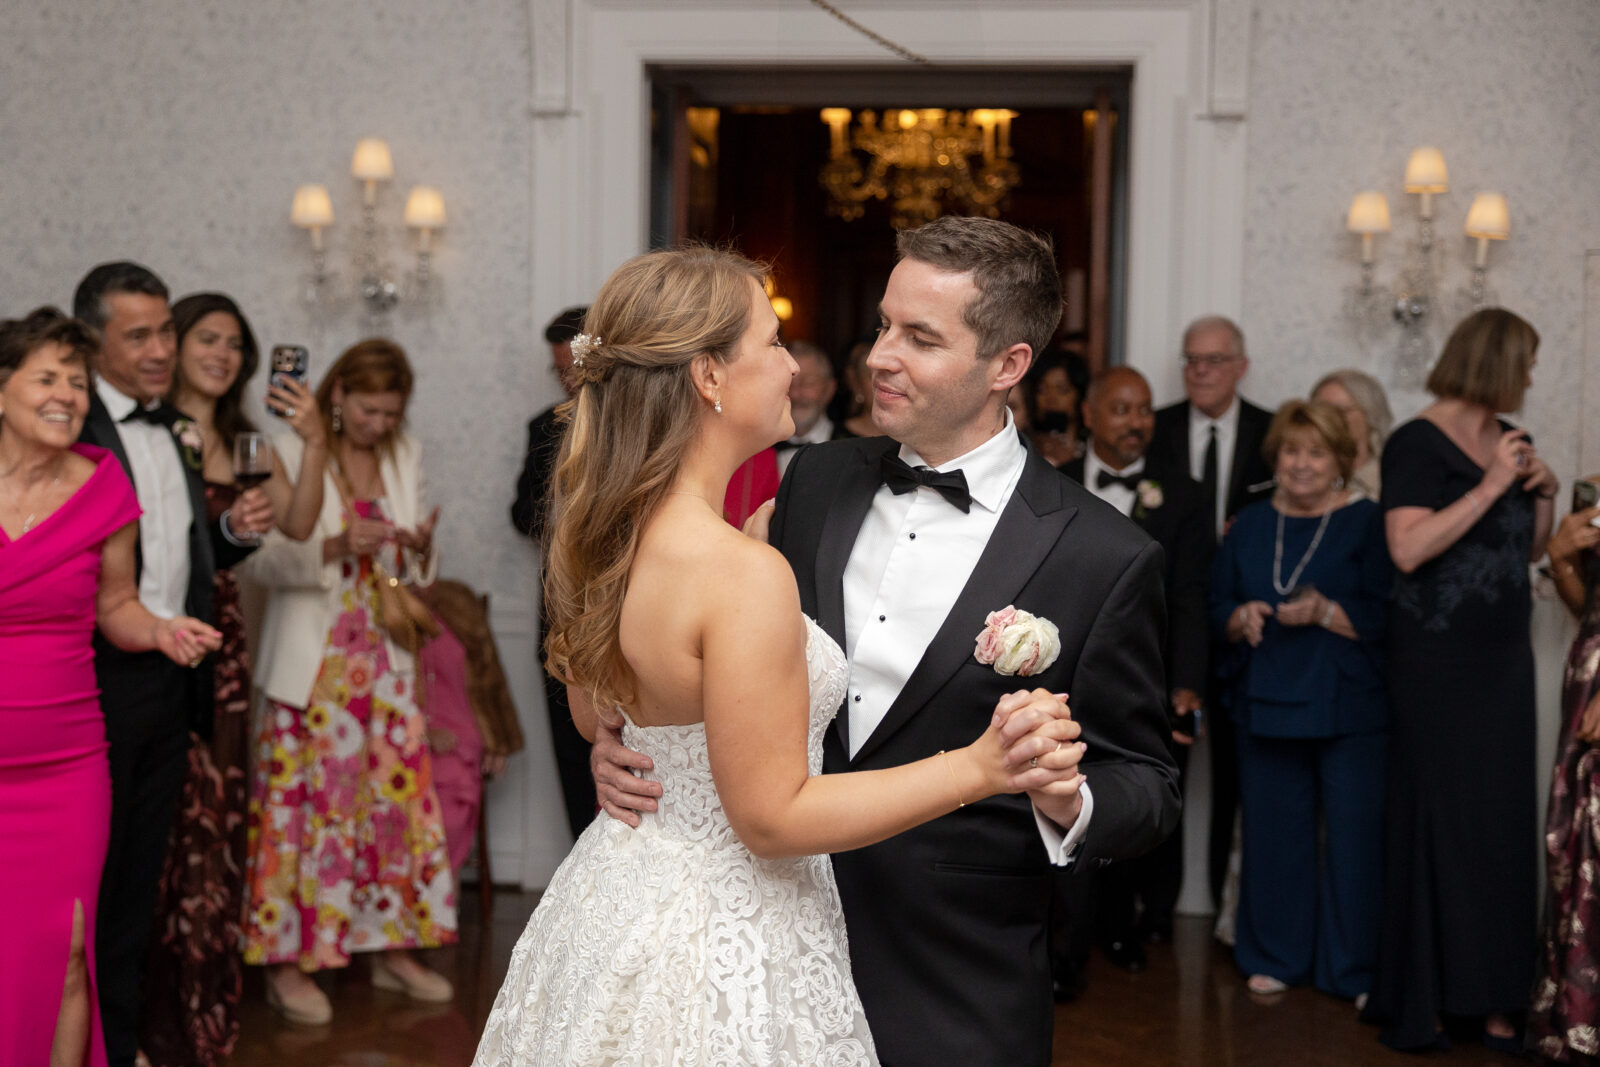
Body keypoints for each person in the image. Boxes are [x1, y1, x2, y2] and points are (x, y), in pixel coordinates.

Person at [474, 244, 1083, 1066]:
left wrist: (627, 753)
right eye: (771, 341)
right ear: (708, 377)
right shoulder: (742, 574)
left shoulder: (610, 536)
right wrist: (981, 766)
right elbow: (769, 819)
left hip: (616, 900)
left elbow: (599, 714)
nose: (794, 363)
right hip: (723, 936)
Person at [593, 218, 1181, 1066]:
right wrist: (625, 739)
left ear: (1007, 366)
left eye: (920, 337)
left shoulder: (1104, 556)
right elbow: (698, 653)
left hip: (955, 971)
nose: (879, 356)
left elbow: (1150, 785)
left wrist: (1066, 797)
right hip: (764, 944)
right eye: (882, 324)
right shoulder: (813, 480)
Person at [0, 307, 222, 1067]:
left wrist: (160, 630)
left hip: (65, 764)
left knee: (67, 950)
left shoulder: (102, 486)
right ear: (3, 390)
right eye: (47, 377)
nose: (66, 393)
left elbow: (116, 606)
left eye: (75, 377)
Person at [71, 263, 272, 1067]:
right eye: (140, 335)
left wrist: (236, 535)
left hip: (173, 676)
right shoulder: (69, 423)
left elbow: (183, 554)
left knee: (142, 882)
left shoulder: (176, 430)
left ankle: (120, 1042)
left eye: (165, 332)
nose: (162, 351)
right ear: (93, 342)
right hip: (93, 679)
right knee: (93, 880)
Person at [240, 339, 457, 1026]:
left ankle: (389, 947)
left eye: (391, 414)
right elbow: (259, 566)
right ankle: (287, 962)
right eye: (368, 410)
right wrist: (333, 548)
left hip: (384, 663)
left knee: (392, 813)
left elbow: (414, 571)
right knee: (302, 815)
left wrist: (419, 550)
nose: (379, 425)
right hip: (313, 667)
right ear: (337, 396)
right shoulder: (280, 447)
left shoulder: (402, 453)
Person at [1364, 308, 1556, 1051]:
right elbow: (1407, 548)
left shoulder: (1514, 439)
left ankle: (1497, 992)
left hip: (1504, 660)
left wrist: (1538, 489)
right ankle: (1434, 994)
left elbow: (1528, 550)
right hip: (1436, 667)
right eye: (1527, 363)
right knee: (1441, 822)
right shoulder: (1416, 441)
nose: (1533, 377)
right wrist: (1491, 483)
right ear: (1498, 362)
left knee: (1500, 824)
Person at [142, 291, 325, 1065]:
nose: (222, 354)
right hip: (154, 634)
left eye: (234, 344)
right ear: (175, 344)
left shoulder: (248, 438)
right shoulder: (148, 431)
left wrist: (312, 439)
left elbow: (300, 523)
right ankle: (142, 1021)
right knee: (157, 830)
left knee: (213, 827)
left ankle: (199, 1017)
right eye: (206, 338)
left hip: (224, 641)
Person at [1210, 400, 1391, 1000]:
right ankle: (1277, 958)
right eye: (1291, 451)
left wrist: (1329, 611)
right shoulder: (1253, 522)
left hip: (1349, 704)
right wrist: (1240, 618)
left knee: (1354, 844)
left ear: (1340, 460)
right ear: (1276, 457)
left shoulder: (1368, 520)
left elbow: (1393, 612)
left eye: (1316, 452)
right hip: (1267, 698)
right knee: (1273, 838)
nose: (1302, 464)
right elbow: (1215, 606)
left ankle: (1354, 971)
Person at [1058, 366, 1211, 979]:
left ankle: (1122, 929)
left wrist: (1187, 684)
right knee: (1062, 797)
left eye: (1145, 410)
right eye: (1121, 409)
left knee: (1126, 801)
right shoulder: (1052, 482)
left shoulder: (1186, 495)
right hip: (1063, 676)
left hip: (1142, 681)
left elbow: (1195, 598)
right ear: (1090, 414)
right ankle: (1064, 947)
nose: (1136, 422)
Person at [1148, 314, 1274, 915]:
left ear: (1241, 367)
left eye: (1214, 360)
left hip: (1253, 628)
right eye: (1191, 360)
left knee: (1238, 777)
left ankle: (1226, 909)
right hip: (1175, 626)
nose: (1200, 371)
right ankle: (1158, 907)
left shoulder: (1272, 433)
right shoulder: (1157, 428)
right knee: (1163, 765)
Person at [509, 305, 595, 842]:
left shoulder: (639, 427)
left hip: (624, 605)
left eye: (573, 367)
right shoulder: (545, 426)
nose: (566, 379)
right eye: (558, 369)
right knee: (570, 753)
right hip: (559, 610)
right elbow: (519, 515)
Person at [1529, 486, 1600, 1061]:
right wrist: (1561, 558)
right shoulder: (1596, 490)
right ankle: (1579, 1020)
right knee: (1576, 850)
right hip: (1588, 678)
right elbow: (1590, 605)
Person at [1311, 368, 1392, 500]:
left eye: (1340, 411)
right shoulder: (1300, 478)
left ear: (1371, 414)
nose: (1329, 418)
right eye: (1321, 411)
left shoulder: (1390, 478)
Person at [774, 339, 840, 476]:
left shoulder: (853, 447)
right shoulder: (755, 448)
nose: (795, 393)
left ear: (829, 389)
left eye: (808, 383)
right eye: (788, 382)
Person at [1023, 346, 1089, 467]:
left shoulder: (1092, 448)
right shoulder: (1023, 446)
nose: (1052, 399)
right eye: (1042, 390)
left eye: (1063, 390)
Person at [837, 335, 882, 438]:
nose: (884, 383)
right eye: (871, 375)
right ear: (857, 385)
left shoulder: (911, 439)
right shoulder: (834, 437)